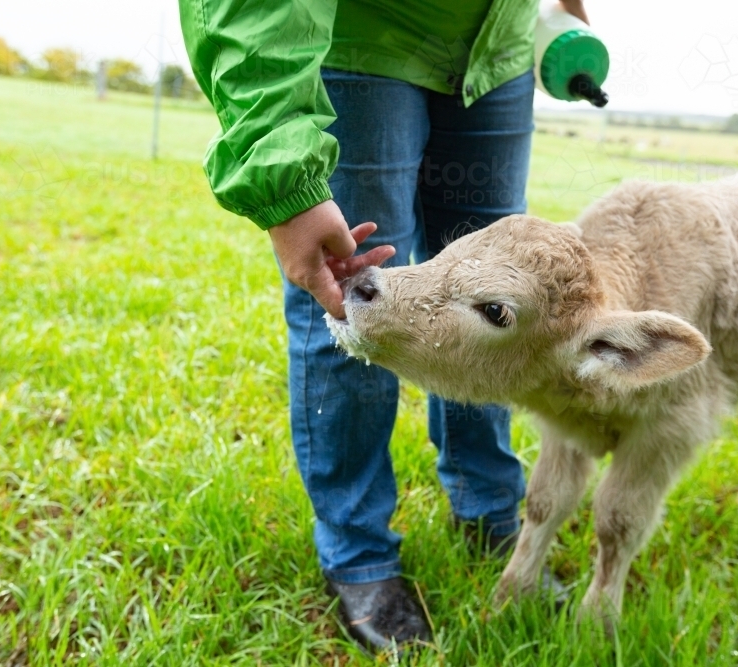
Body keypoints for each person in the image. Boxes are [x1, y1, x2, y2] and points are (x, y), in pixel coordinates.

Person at [180, 0, 591, 651]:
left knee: (496, 297)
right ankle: (358, 549)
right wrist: (282, 163)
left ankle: (487, 506)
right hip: (362, 39)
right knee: (357, 293)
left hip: (496, 56)